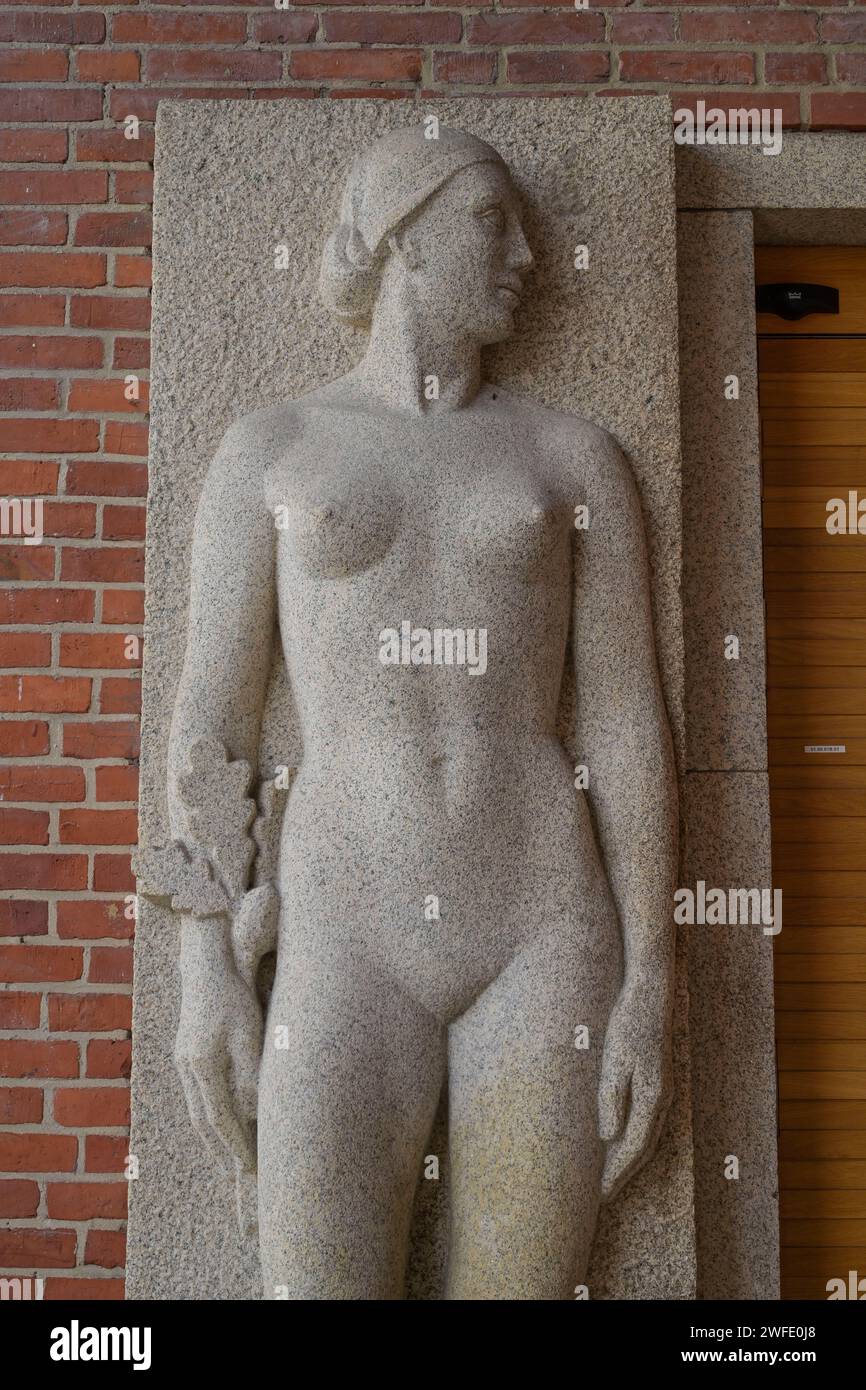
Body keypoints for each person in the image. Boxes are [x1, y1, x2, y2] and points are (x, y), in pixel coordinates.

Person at [168, 123, 679, 1300]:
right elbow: (213, 722)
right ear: (402, 232)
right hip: (342, 924)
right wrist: (205, 968)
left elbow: (625, 725)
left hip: (542, 925)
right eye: (489, 221)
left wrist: (653, 971)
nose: (527, 256)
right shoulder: (272, 452)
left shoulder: (572, 458)